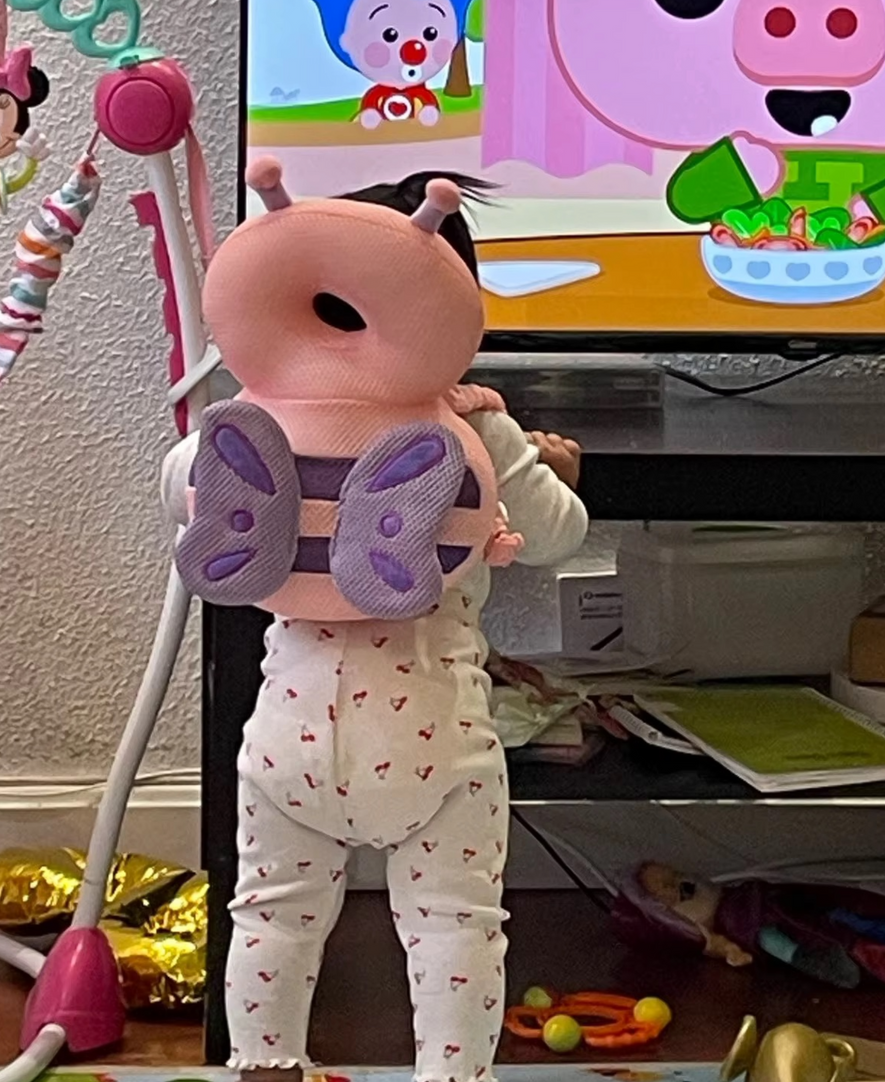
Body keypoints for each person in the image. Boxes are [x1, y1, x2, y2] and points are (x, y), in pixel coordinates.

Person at [161, 173, 587, 1082]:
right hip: (434, 741)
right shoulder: (478, 432)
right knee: (456, 929)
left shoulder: (253, 425)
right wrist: (553, 472)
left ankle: (265, 1066)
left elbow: (183, 489)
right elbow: (558, 535)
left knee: (271, 917)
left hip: (288, 741)